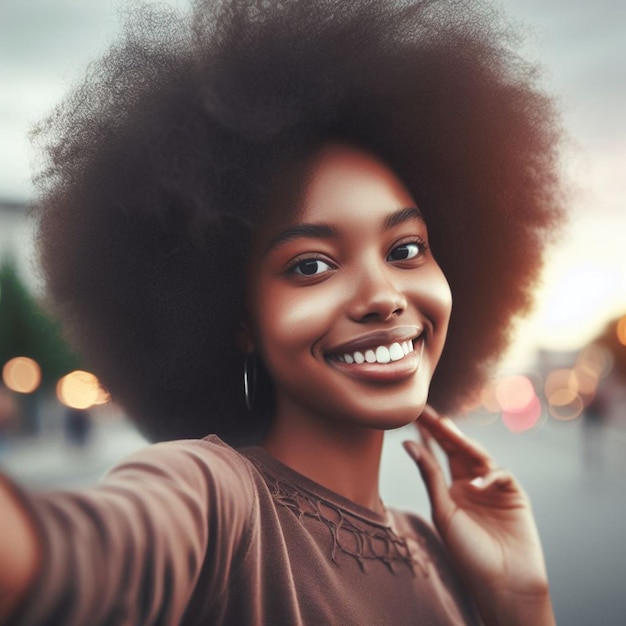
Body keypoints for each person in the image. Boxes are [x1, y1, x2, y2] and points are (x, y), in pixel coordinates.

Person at [0, 0, 564, 623]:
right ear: (238, 318)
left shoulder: (438, 547)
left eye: (406, 249)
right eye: (311, 265)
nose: (383, 295)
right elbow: (55, 559)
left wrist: (520, 603)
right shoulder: (217, 499)